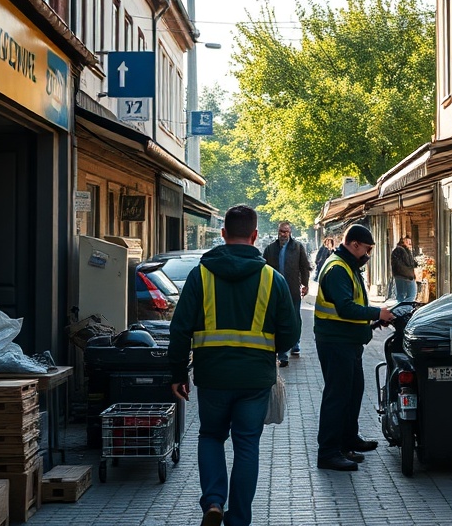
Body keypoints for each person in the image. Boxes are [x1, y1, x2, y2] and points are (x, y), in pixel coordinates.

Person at [169, 205, 300, 526]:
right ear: (255, 236)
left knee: (211, 436)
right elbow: (291, 331)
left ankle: (213, 502)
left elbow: (180, 328)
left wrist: (176, 373)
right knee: (246, 445)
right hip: (255, 379)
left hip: (212, 376)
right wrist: (270, 349)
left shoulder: (200, 275)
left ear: (223, 234)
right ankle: (239, 519)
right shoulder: (273, 279)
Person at [314, 224, 394, 471]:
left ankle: (348, 440)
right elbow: (345, 308)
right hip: (336, 342)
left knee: (353, 391)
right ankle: (328, 452)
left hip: (348, 340)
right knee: (337, 396)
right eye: (367, 249)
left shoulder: (349, 266)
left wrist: (371, 322)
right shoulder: (338, 268)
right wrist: (376, 312)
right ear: (355, 244)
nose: (368, 254)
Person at [263, 221, 312, 365]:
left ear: (290, 232)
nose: (283, 234)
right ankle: (282, 353)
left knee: (295, 317)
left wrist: (305, 284)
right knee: (278, 319)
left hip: (292, 289)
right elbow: (263, 267)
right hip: (275, 290)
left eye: (286, 231)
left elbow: (304, 267)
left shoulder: (297, 247)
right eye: (281, 231)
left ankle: (295, 344)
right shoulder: (271, 249)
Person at [390, 236, 419, 303]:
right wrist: (408, 274)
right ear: (403, 242)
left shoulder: (405, 250)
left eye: (410, 242)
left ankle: (402, 309)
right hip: (405, 276)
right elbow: (399, 265)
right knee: (411, 294)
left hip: (402, 275)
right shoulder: (400, 250)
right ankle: (403, 309)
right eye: (407, 242)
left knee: (401, 295)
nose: (409, 243)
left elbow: (410, 263)